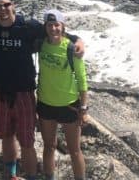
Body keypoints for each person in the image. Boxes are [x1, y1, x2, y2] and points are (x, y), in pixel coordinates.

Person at [0, 0, 84, 180]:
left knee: (27, 141)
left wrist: (78, 40)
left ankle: (32, 176)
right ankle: (11, 174)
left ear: (13, 5)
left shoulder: (28, 26)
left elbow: (55, 31)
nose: (3, 9)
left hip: (24, 92)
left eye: (6, 4)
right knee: (7, 136)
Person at [37, 9, 88, 180]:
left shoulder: (71, 48)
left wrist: (83, 106)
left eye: (56, 25)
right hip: (45, 103)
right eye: (50, 25)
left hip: (69, 104)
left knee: (74, 150)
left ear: (63, 26)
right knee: (49, 146)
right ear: (45, 27)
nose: (53, 29)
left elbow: (82, 79)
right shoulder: (40, 44)